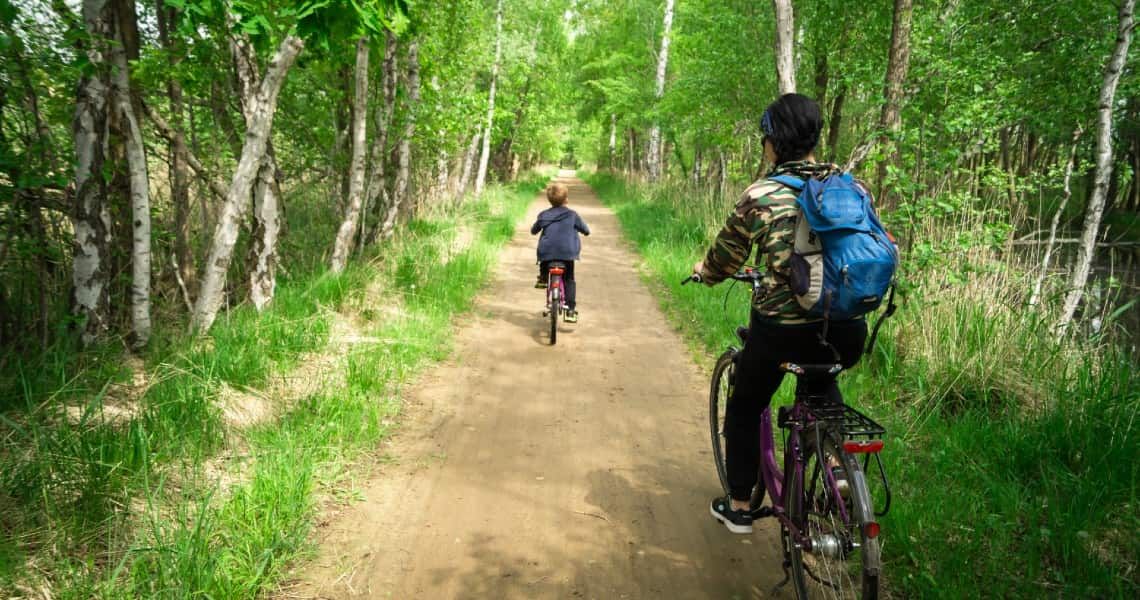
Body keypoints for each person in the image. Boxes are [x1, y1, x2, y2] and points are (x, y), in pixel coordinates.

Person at [692, 94, 868, 534]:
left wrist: (705, 272)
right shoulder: (851, 187)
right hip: (846, 330)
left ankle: (738, 506)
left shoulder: (762, 194)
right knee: (821, 380)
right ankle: (838, 466)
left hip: (781, 333)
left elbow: (724, 259)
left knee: (747, 403)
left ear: (773, 141)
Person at [532, 182, 590, 323]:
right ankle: (570, 310)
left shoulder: (543, 215)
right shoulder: (572, 215)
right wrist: (582, 231)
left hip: (547, 254)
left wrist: (539, 226)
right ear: (566, 199)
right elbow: (586, 230)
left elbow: (533, 230)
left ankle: (544, 277)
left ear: (549, 200)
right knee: (569, 279)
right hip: (567, 254)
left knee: (545, 255)